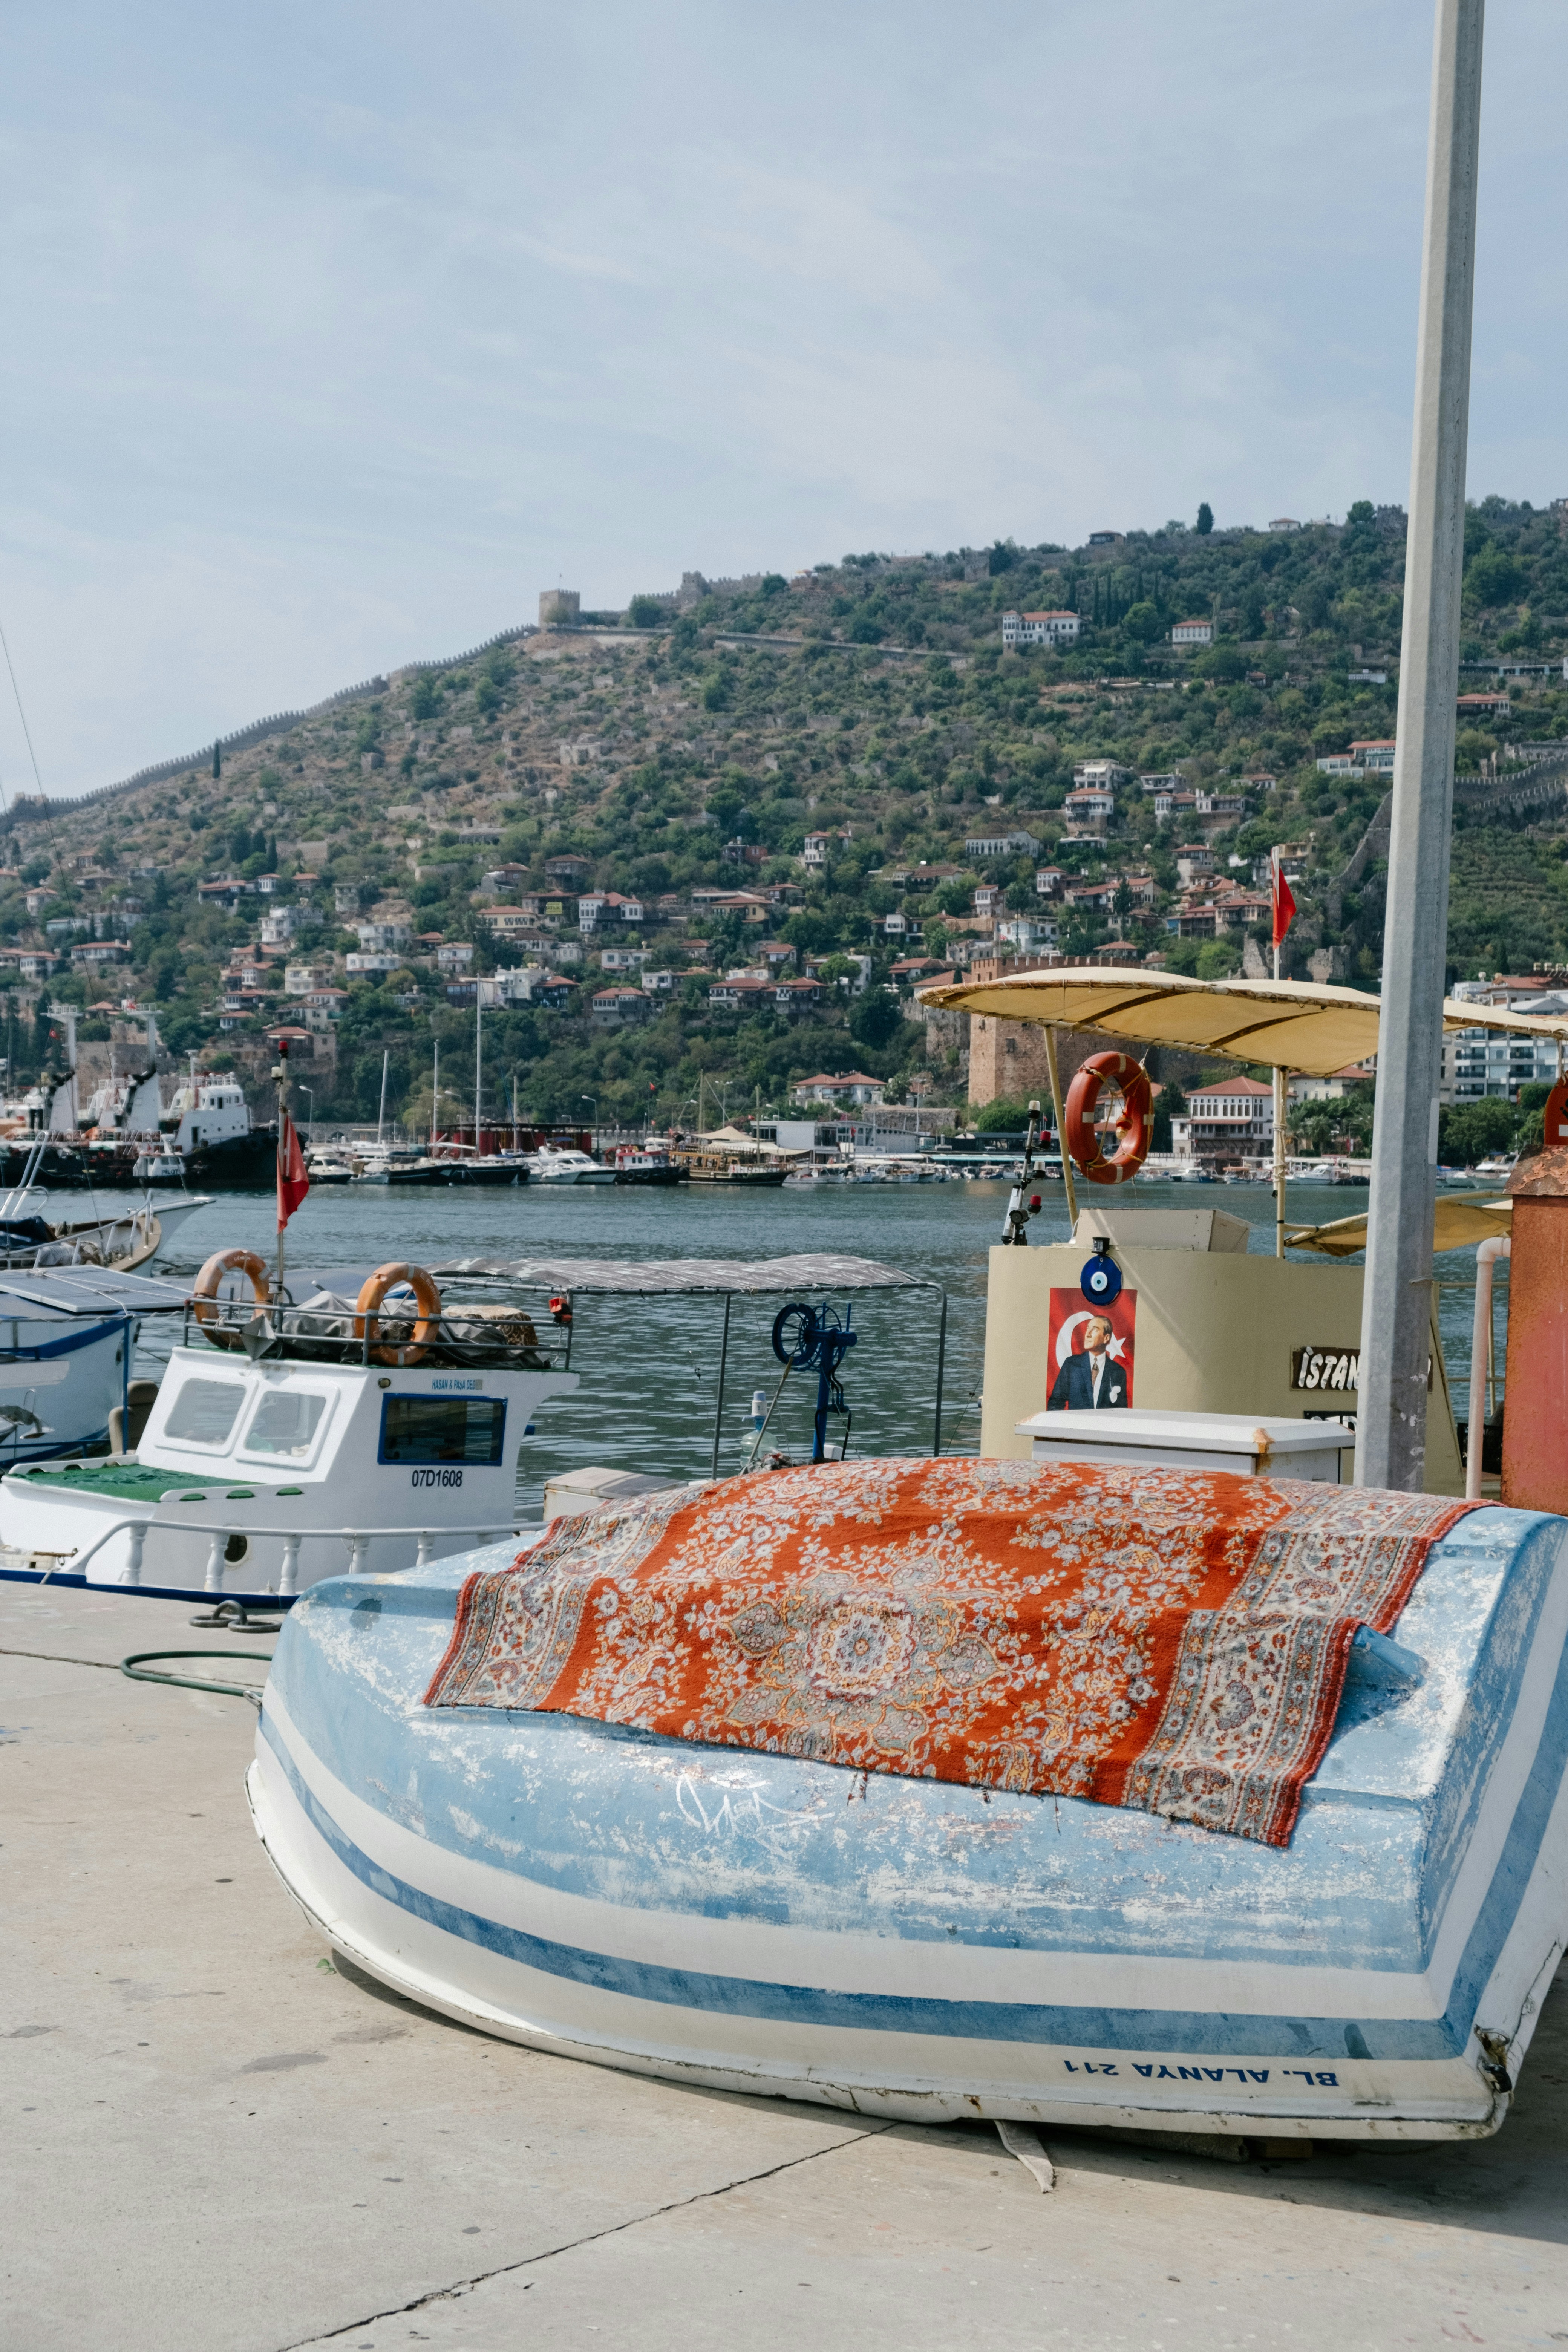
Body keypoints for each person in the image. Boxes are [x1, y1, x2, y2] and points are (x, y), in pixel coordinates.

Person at [1046, 1315, 1129, 1410]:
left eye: (1095, 1330)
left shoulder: (1118, 1372)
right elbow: (1056, 1403)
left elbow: (1121, 1411)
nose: (1088, 1334)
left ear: (1106, 1338)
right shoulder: (1072, 1365)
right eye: (1088, 1329)